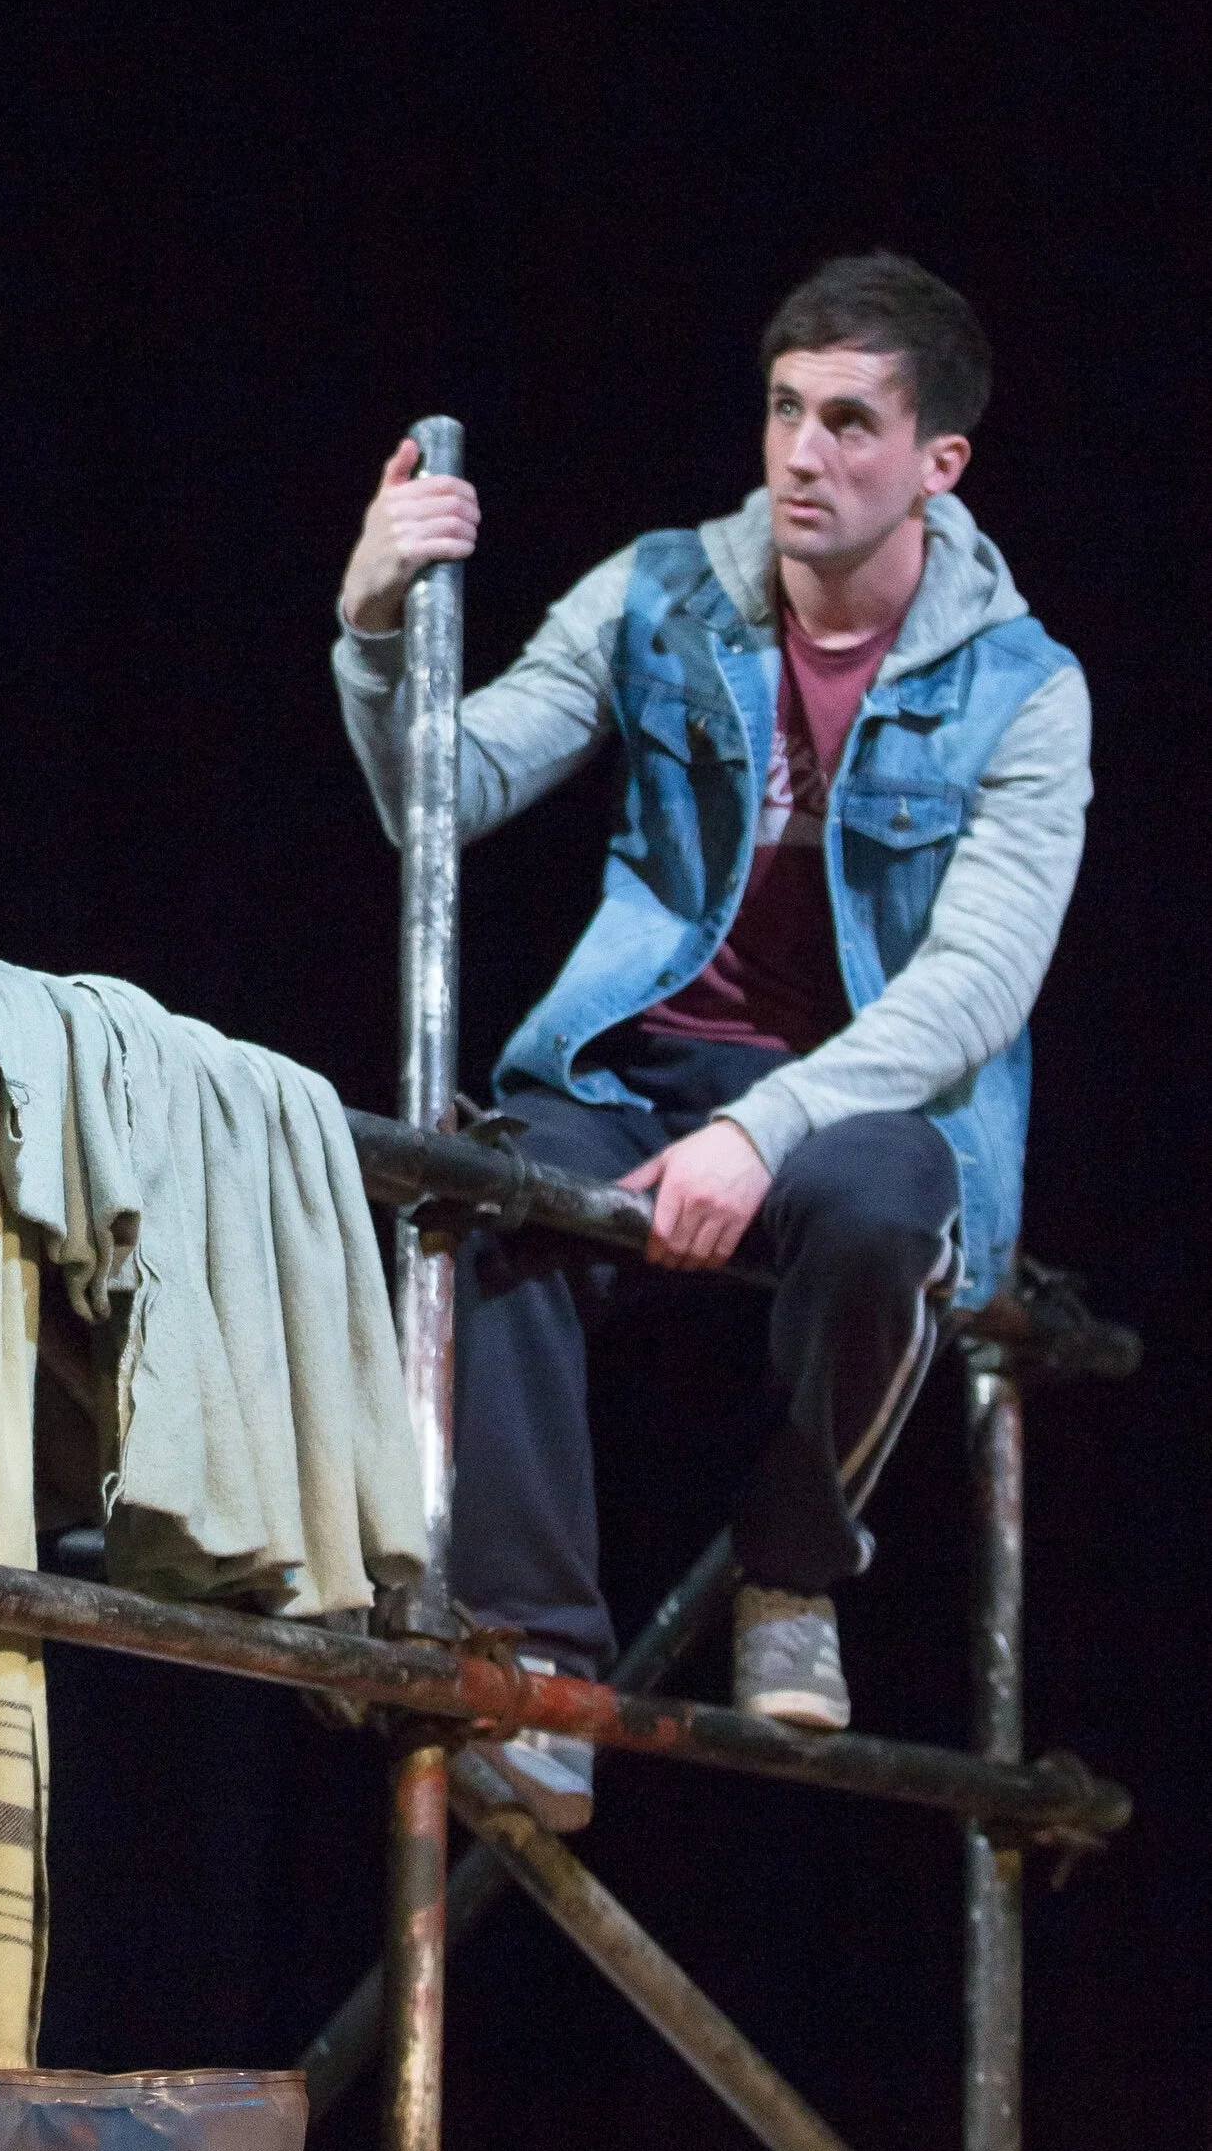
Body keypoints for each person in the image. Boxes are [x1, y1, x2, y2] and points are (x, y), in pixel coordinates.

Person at [333, 254, 1090, 1826]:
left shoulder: (1025, 689)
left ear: (939, 462)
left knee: (892, 1209)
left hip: (867, 1092)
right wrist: (375, 624)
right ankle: (536, 1668)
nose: (804, 454)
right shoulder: (661, 590)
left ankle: (794, 1571)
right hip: (637, 1062)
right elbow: (439, 799)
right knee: (487, 1195)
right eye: (785, 409)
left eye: (852, 422)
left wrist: (766, 1128)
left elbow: (976, 985)